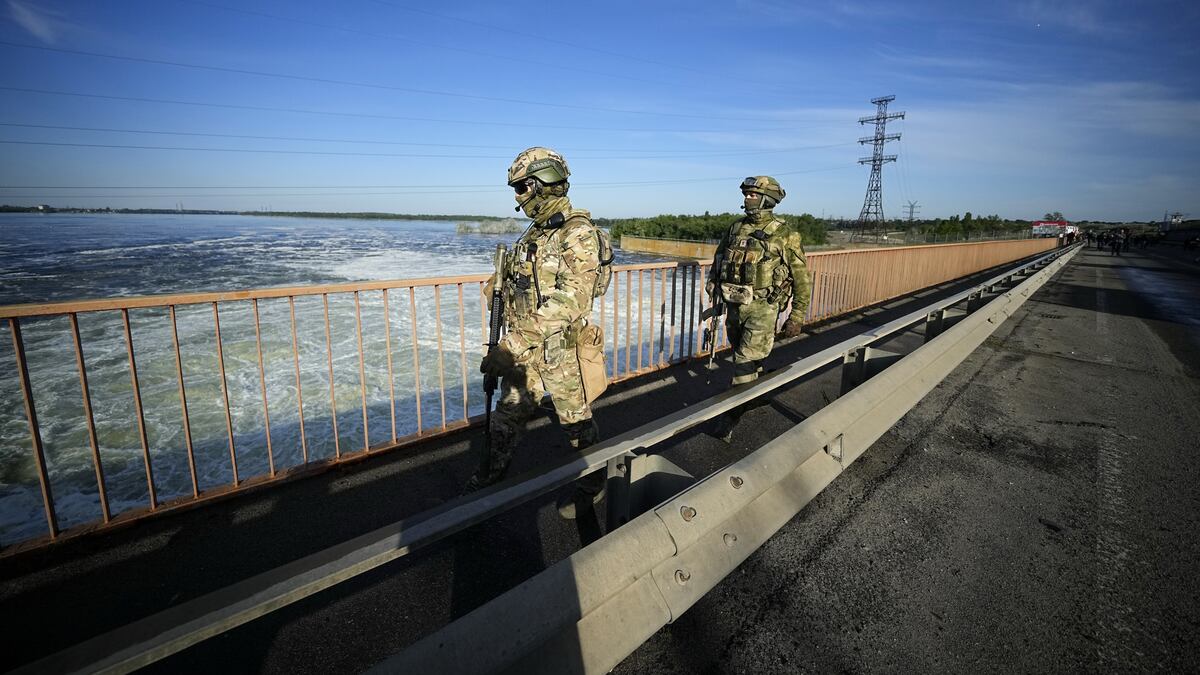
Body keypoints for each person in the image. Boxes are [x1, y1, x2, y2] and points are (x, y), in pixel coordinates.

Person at [466, 147, 606, 521]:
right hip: (526, 349)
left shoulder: (575, 232)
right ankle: (490, 479)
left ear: (541, 183)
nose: (517, 196)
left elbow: (572, 299)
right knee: (506, 418)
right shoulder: (539, 231)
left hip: (559, 351)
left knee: (575, 423)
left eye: (520, 187)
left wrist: (509, 345)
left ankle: (592, 484)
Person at [705, 176, 812, 442]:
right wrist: (713, 285)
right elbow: (719, 260)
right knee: (747, 359)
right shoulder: (736, 228)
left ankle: (729, 417)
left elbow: (802, 279)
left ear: (768, 199)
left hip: (763, 309)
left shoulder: (785, 234)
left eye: (753, 195)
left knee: (743, 363)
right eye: (747, 194)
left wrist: (796, 316)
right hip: (734, 306)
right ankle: (757, 392)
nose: (747, 199)